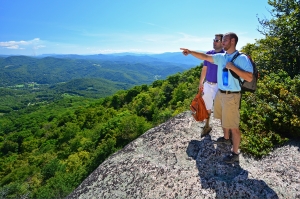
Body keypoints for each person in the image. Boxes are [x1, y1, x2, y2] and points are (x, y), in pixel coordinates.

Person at [180, 32, 253, 163]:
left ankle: (235, 153)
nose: (222, 42)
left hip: (232, 95)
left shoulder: (242, 58)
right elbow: (205, 57)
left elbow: (249, 77)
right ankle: (225, 138)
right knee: (222, 118)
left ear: (232, 41)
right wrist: (190, 52)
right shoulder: (222, 57)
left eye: (224, 40)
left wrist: (233, 67)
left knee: (234, 127)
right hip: (221, 93)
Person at [200, 34, 224, 138]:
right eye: (214, 40)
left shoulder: (225, 55)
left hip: (220, 86)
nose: (214, 42)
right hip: (208, 84)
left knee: (223, 108)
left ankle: (226, 133)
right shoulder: (209, 54)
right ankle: (207, 125)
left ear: (222, 43)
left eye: (217, 40)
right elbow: (204, 69)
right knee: (207, 106)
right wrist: (201, 83)